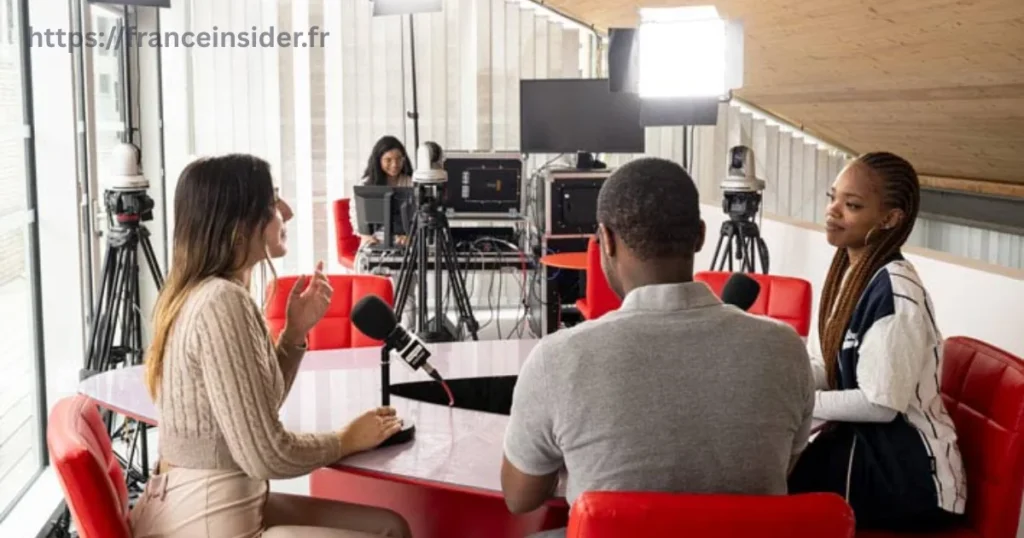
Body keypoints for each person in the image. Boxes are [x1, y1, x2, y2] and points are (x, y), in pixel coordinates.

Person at [501, 157, 815, 537]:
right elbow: (782, 467)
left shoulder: (557, 358)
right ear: (700, 236)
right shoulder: (785, 349)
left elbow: (520, 497)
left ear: (607, 240)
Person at [130, 154, 412, 538]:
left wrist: (294, 333)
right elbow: (266, 453)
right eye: (271, 203)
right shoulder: (220, 302)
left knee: (391, 527)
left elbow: (253, 408)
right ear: (238, 226)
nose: (287, 212)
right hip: (207, 517)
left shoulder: (209, 293)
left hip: (211, 503)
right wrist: (347, 439)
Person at [788, 151, 968, 531]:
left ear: (889, 219)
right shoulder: (848, 272)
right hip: (868, 448)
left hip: (910, 475)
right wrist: (781, 383)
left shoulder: (896, 293)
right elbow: (825, 366)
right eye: (831, 197)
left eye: (851, 205)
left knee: (787, 506)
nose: (833, 210)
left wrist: (800, 403)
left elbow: (879, 403)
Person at [354, 135, 413, 247]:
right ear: (378, 160)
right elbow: (355, 215)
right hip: (373, 240)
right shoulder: (365, 184)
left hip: (403, 241)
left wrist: (410, 236)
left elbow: (418, 217)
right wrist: (366, 236)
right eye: (388, 160)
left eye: (399, 159)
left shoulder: (412, 183)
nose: (395, 164)